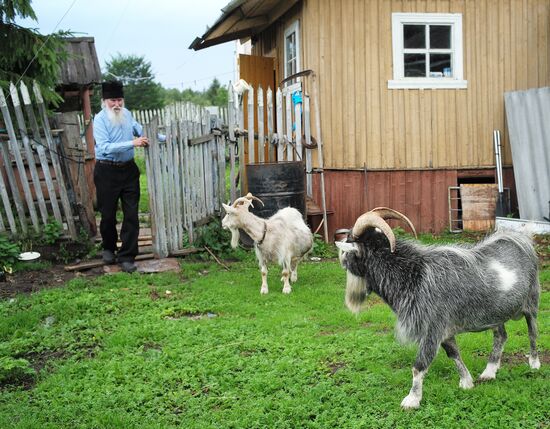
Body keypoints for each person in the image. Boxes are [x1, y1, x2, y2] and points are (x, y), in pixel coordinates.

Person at [93, 81, 149, 273]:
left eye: (119, 100)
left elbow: (140, 130)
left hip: (129, 171)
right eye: (112, 100)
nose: (116, 104)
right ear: (104, 101)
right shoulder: (99, 120)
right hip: (106, 171)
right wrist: (132, 143)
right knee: (108, 214)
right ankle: (109, 248)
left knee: (132, 215)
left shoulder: (127, 114)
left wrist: (159, 137)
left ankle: (127, 256)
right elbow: (104, 147)